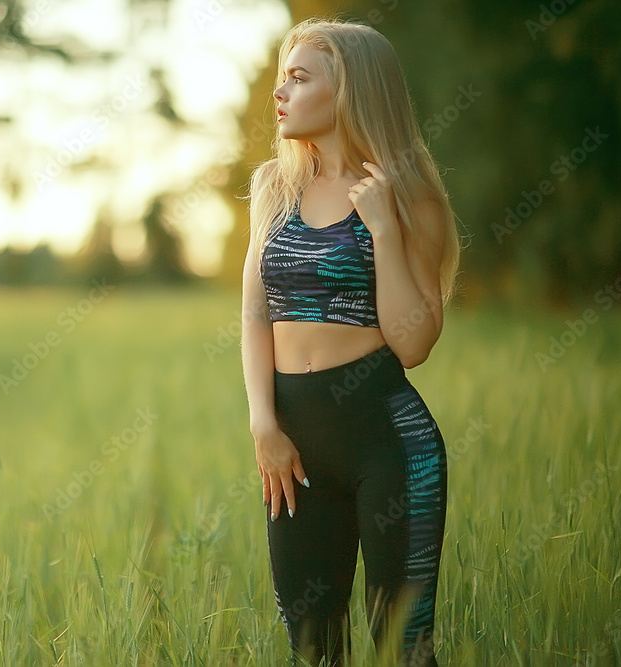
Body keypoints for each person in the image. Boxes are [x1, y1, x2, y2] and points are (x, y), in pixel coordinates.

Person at [240, 17, 462, 667]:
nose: (280, 93)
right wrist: (263, 422)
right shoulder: (272, 190)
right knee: (313, 644)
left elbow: (414, 342)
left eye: (300, 78)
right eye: (282, 79)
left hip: (390, 443)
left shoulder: (406, 195)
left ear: (351, 91)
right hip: (293, 447)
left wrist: (385, 230)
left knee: (403, 645)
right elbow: (255, 314)